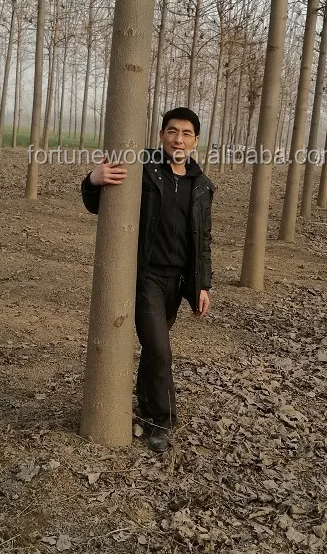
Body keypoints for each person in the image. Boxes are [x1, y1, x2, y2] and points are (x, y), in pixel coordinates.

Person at [80, 107, 214, 453]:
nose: (178, 139)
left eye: (186, 133)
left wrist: (202, 285)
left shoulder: (202, 186)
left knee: (156, 348)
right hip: (146, 277)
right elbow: (101, 205)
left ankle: (144, 402)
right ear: (162, 135)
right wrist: (93, 180)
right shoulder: (143, 169)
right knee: (159, 348)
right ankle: (162, 421)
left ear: (196, 140)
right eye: (172, 131)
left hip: (178, 281)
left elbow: (202, 241)